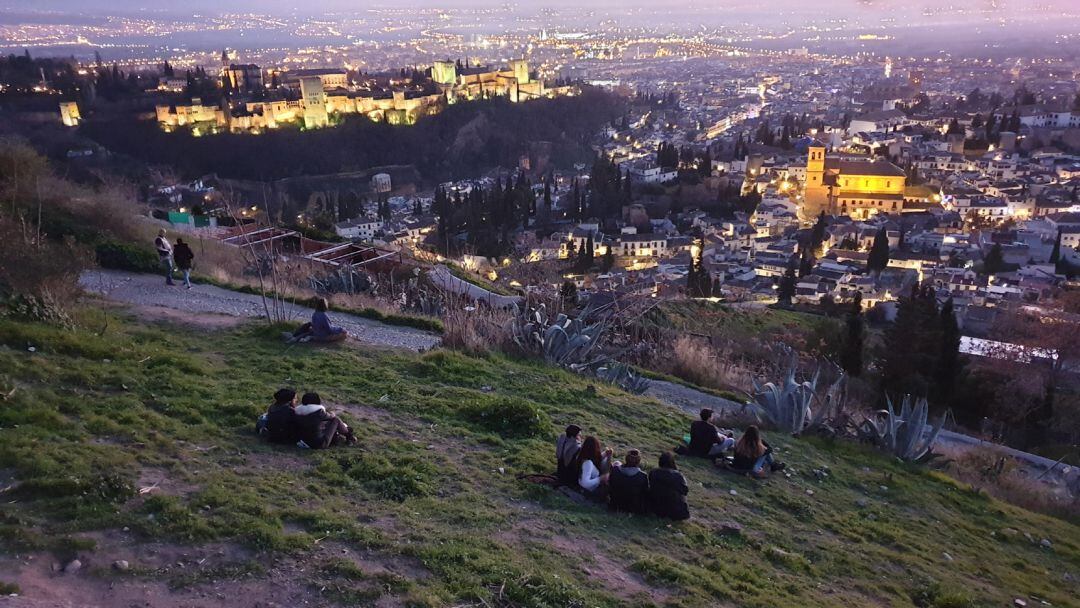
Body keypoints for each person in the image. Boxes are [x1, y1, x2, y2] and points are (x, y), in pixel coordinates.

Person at [649, 452, 689, 521]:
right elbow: (685, 491)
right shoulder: (678, 476)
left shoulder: (653, 472)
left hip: (655, 508)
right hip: (675, 512)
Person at [608, 449, 650, 515]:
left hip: (614, 505)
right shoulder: (642, 476)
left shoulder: (615, 470)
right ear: (639, 461)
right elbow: (645, 494)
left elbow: (610, 486)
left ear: (626, 458)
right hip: (633, 508)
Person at [576, 436, 612, 501]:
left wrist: (605, 454)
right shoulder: (588, 463)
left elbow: (595, 460)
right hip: (591, 490)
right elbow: (585, 484)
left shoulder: (581, 456)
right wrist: (600, 478)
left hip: (583, 486)